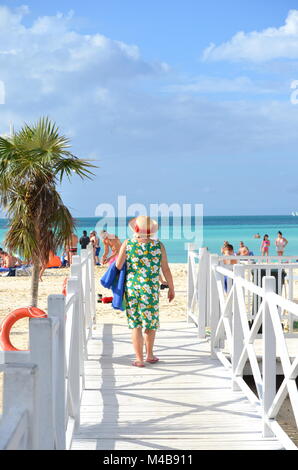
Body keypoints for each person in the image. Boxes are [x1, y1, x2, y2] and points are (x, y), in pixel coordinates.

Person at [116, 215, 175, 368]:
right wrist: (171, 288)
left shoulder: (128, 244)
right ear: (151, 231)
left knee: (136, 323)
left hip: (133, 289)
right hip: (150, 289)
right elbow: (166, 269)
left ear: (135, 229)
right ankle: (149, 355)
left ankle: (139, 359)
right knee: (150, 322)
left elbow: (118, 265)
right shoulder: (158, 246)